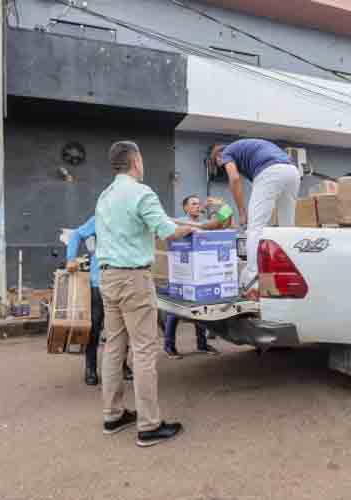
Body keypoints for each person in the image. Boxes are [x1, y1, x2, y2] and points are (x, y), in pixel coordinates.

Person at [95, 140, 194, 448]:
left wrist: (175, 223)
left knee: (114, 347)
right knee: (144, 350)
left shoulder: (105, 196)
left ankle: (112, 415)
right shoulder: (141, 192)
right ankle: (149, 425)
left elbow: (153, 223)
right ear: (135, 161)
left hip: (108, 277)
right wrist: (191, 228)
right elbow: (166, 230)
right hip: (133, 279)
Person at [210, 139, 300, 299]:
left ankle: (253, 280)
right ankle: (289, 276)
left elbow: (235, 179)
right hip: (292, 171)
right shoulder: (247, 150)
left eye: (220, 164)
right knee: (288, 228)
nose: (222, 166)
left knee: (255, 229)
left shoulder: (226, 153)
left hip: (270, 172)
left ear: (218, 157)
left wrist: (242, 212)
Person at [65, 216, 132, 386]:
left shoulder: (131, 216)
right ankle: (91, 369)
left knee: (124, 328)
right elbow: (76, 235)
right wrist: (70, 258)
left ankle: (121, 366)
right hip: (99, 283)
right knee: (94, 328)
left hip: (124, 282)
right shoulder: (102, 216)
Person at [163, 195, 222, 359]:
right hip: (181, 275)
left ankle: (202, 344)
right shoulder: (178, 222)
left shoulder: (204, 223)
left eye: (198, 203)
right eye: (193, 204)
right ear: (185, 208)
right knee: (174, 311)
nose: (197, 206)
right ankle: (169, 346)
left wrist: (219, 206)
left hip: (200, 276)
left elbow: (224, 223)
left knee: (200, 311)